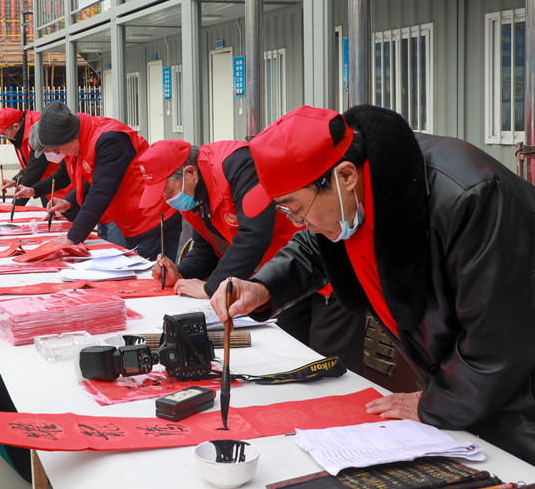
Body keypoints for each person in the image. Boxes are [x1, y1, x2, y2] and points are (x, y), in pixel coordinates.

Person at [209, 104, 535, 489]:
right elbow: (317, 247)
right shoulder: (352, 194)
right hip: (485, 397)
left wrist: (435, 403)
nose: (301, 224)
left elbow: (501, 337)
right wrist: (261, 286)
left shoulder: (472, 196)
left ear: (344, 176)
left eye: (297, 210)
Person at [137, 138, 366, 374]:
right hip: (279, 277)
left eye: (168, 192)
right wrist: (183, 273)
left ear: (190, 172)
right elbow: (208, 246)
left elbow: (254, 234)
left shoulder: (235, 165)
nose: (168, 201)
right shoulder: (194, 194)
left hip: (321, 263)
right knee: (288, 356)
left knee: (332, 365)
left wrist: (211, 288)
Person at [15, 101, 181, 260]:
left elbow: (100, 192)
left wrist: (73, 237)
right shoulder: (83, 139)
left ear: (71, 139)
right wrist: (69, 202)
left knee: (150, 283)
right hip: (132, 222)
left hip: (152, 222)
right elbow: (90, 179)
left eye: (57, 150)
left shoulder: (110, 140)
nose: (58, 155)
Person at [0, 106, 71, 206]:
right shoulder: (19, 134)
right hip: (48, 185)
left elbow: (34, 171)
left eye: (4, 134)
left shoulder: (37, 132)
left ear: (15, 126)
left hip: (62, 187)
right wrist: (16, 180)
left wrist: (16, 205)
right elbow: (30, 165)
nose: (6, 138)